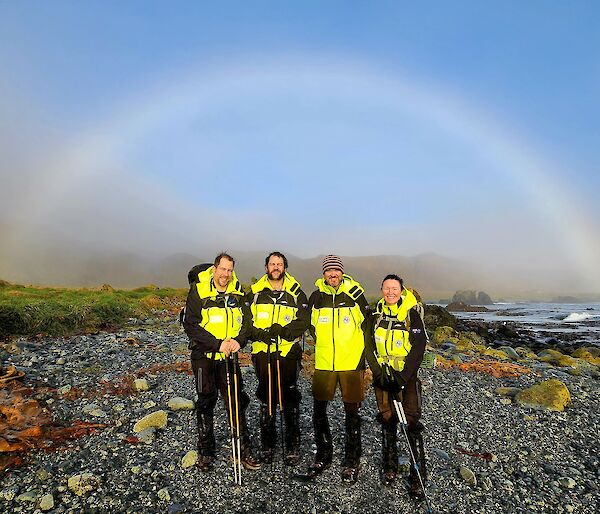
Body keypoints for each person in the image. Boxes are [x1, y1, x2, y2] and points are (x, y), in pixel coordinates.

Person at [183, 252, 261, 471]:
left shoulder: (237, 293)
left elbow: (248, 322)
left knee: (235, 401)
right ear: (215, 268)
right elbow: (191, 325)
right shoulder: (198, 291)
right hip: (204, 357)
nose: (225, 274)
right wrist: (217, 344)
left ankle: (242, 448)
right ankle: (206, 450)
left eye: (229, 270)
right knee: (206, 401)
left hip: (229, 358)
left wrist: (238, 341)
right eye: (222, 269)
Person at [305, 255, 369, 483]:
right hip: (324, 363)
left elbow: (367, 325)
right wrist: (323, 344)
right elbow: (311, 326)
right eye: (329, 271)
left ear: (342, 272)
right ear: (324, 274)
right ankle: (324, 454)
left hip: (351, 364)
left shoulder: (355, 295)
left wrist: (360, 355)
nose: (333, 274)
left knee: (352, 413)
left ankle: (352, 459)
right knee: (319, 411)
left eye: (336, 270)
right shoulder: (316, 296)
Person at [365, 274, 428, 498]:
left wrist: (403, 376)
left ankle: (417, 475)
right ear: (381, 289)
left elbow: (419, 347)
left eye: (395, 288)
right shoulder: (374, 314)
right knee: (387, 418)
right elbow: (368, 343)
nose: (390, 292)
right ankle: (389, 466)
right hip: (382, 375)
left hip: (406, 376)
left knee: (411, 421)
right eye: (387, 288)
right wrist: (377, 371)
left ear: (401, 290)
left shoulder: (412, 314)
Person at [248, 251, 309, 465]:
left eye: (279, 264)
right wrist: (260, 334)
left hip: (288, 352)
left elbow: (303, 319)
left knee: (289, 395)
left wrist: (285, 332)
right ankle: (267, 444)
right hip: (262, 352)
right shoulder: (255, 293)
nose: (276, 267)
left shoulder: (296, 292)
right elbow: (246, 321)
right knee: (266, 395)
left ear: (285, 267)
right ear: (266, 267)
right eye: (272, 264)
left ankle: (292, 445)